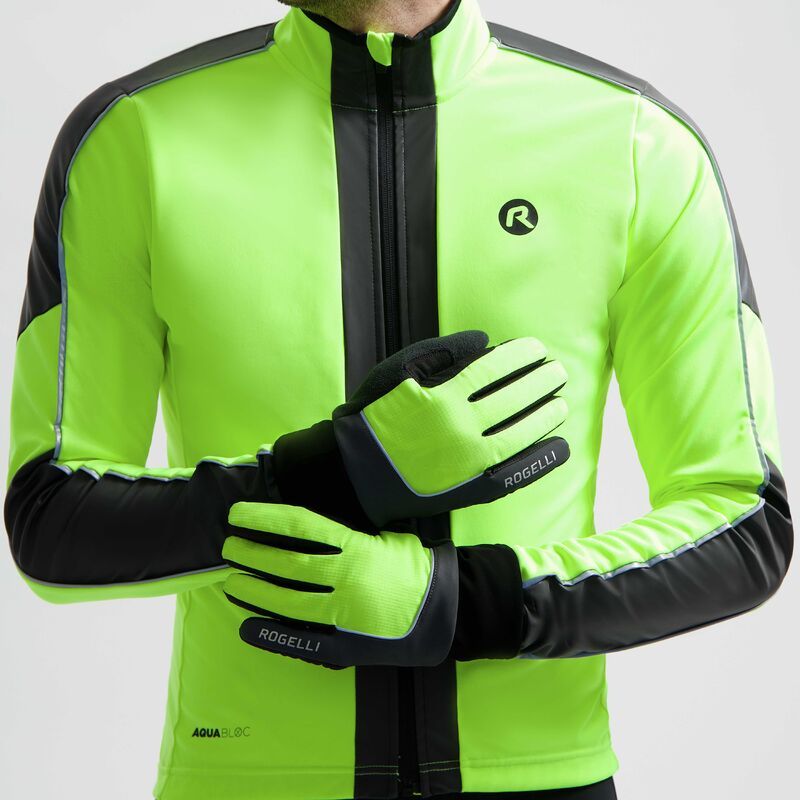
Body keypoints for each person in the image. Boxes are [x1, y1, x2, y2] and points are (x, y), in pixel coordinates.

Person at [5, 0, 793, 798]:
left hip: (540, 773)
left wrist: (455, 605)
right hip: (248, 777)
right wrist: (338, 473)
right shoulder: (133, 138)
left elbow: (744, 521)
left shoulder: (636, 143)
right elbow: (51, 516)